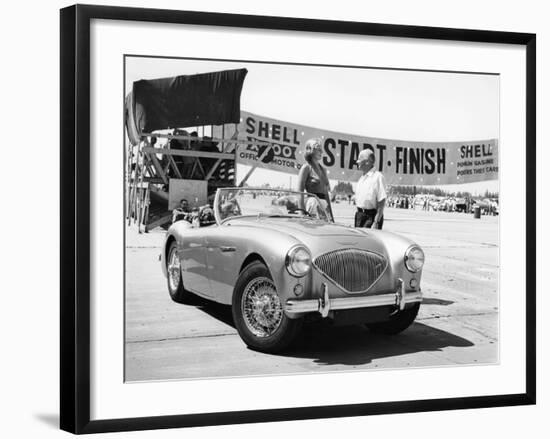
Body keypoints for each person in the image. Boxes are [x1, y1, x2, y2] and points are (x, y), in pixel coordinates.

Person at [296, 138, 333, 220]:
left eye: (321, 149)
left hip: (324, 206)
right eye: (318, 149)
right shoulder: (306, 168)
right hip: (312, 205)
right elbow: (300, 192)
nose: (321, 152)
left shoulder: (323, 170)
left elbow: (326, 195)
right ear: (309, 149)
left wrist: (331, 216)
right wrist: (302, 213)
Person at [354, 149, 387, 229]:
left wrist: (376, 222)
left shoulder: (378, 177)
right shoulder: (362, 178)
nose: (358, 162)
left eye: (360, 160)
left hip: (371, 217)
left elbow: (381, 201)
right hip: (359, 216)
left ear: (368, 162)